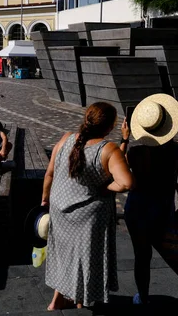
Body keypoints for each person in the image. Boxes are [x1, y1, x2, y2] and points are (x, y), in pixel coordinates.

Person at [41, 102, 134, 310]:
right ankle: (80, 299)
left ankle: (58, 299)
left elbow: (49, 173)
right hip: (87, 217)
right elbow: (126, 182)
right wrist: (106, 187)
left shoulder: (66, 139)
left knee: (65, 253)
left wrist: (44, 200)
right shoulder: (108, 149)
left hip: (60, 209)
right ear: (110, 127)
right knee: (83, 257)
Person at [124, 94, 178, 305]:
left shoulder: (135, 153)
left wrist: (124, 139)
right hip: (163, 207)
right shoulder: (176, 149)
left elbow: (120, 172)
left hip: (139, 208)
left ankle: (143, 296)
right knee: (165, 246)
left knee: (142, 255)